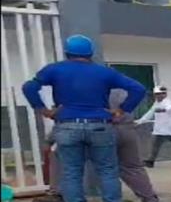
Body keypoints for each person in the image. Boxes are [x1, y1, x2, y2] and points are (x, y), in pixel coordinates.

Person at [22, 34, 146, 202]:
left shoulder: (54, 69)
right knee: (107, 171)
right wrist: (121, 110)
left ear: (67, 53)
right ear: (91, 53)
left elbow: (29, 87)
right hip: (100, 126)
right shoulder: (105, 72)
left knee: (71, 172)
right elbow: (138, 89)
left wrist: (43, 109)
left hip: (67, 126)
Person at [33, 89, 160, 202]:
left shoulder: (79, 90)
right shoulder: (120, 88)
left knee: (62, 158)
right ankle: (149, 197)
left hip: (100, 129)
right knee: (132, 167)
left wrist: (50, 140)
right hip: (127, 130)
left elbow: (66, 118)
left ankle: (57, 194)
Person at [136, 86, 171, 168]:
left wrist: (162, 110)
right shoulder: (156, 103)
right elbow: (150, 113)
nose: (159, 96)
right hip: (160, 129)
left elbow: (169, 108)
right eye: (157, 94)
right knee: (155, 145)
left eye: (162, 94)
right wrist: (139, 121)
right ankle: (150, 161)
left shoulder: (167, 101)